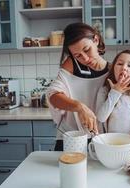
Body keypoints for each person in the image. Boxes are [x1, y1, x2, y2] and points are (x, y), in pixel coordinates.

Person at [46, 22, 109, 151]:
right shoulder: (71, 65)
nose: (85, 58)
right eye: (78, 55)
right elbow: (53, 96)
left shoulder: (113, 70)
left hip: (101, 139)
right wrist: (79, 107)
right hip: (70, 137)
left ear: (96, 40)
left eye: (87, 50)